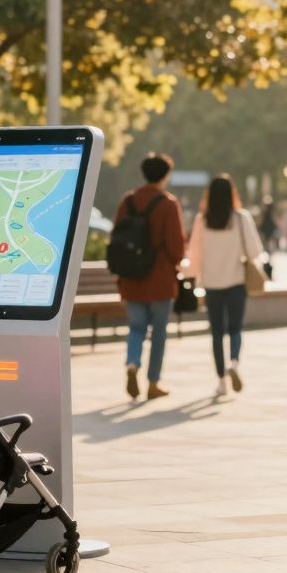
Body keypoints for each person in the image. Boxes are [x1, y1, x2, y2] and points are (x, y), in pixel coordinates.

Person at [185, 174, 264, 398]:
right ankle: (235, 363)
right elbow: (255, 251)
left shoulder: (202, 220)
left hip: (211, 284)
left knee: (216, 333)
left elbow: (194, 253)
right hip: (236, 282)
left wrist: (191, 276)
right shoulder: (240, 218)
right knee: (235, 328)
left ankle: (220, 380)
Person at [116, 152, 186, 400]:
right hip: (160, 281)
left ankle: (132, 363)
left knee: (136, 328)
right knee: (158, 334)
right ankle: (153, 383)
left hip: (132, 280)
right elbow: (177, 246)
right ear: (165, 175)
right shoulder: (167, 203)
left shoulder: (128, 201)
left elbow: (117, 237)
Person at [258, 195, 278, 277]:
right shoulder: (270, 214)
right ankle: (267, 270)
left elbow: (260, 225)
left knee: (266, 253)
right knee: (268, 254)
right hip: (268, 237)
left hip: (266, 236)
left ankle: (267, 270)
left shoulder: (264, 214)